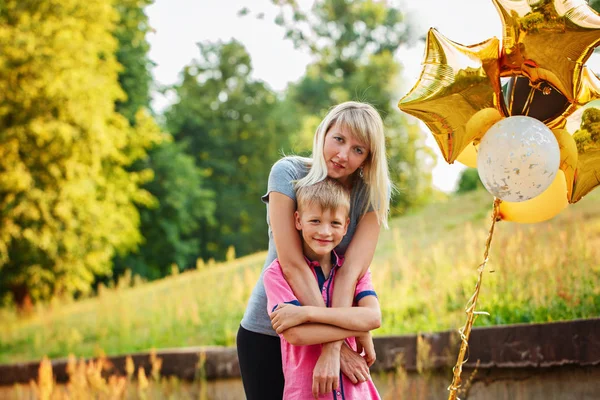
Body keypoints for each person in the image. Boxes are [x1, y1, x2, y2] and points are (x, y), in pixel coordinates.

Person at [237, 101, 391, 400]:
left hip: (327, 334)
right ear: (324, 133)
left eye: (358, 150)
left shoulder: (371, 196)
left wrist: (333, 349)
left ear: (368, 158)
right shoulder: (288, 173)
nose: (343, 155)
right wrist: (339, 347)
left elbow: (349, 273)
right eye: (339, 139)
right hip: (271, 331)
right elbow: (292, 264)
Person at [264, 178, 382, 399]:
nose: (325, 231)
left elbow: (373, 318)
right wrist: (358, 328)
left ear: (346, 226)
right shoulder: (277, 274)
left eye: (335, 223)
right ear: (298, 220)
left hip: (357, 391)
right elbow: (296, 334)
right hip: (308, 392)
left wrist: (306, 313)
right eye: (315, 221)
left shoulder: (355, 272)